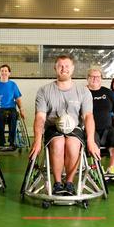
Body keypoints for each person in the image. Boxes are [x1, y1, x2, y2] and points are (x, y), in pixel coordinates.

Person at [29, 55, 100, 196]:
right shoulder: (44, 90)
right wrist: (37, 141)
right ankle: (57, 183)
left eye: (67, 66)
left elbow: (88, 116)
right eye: (60, 66)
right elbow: (40, 117)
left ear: (72, 69)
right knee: (58, 143)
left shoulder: (83, 91)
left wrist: (91, 141)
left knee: (73, 145)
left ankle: (69, 183)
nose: (64, 68)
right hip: (53, 128)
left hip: (75, 128)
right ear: (55, 68)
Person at [86, 67, 114, 175]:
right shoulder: (83, 92)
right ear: (87, 78)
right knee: (93, 139)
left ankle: (111, 167)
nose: (95, 79)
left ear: (101, 78)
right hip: (90, 129)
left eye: (98, 76)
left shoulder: (108, 93)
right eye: (92, 76)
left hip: (107, 128)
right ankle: (97, 167)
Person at [0, 64, 25, 151]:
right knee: (0, 115)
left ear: (9, 73)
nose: (4, 72)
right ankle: (2, 143)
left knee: (14, 115)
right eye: (2, 71)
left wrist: (22, 109)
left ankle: (12, 142)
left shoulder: (13, 85)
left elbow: (18, 99)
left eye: (6, 71)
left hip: (10, 108)